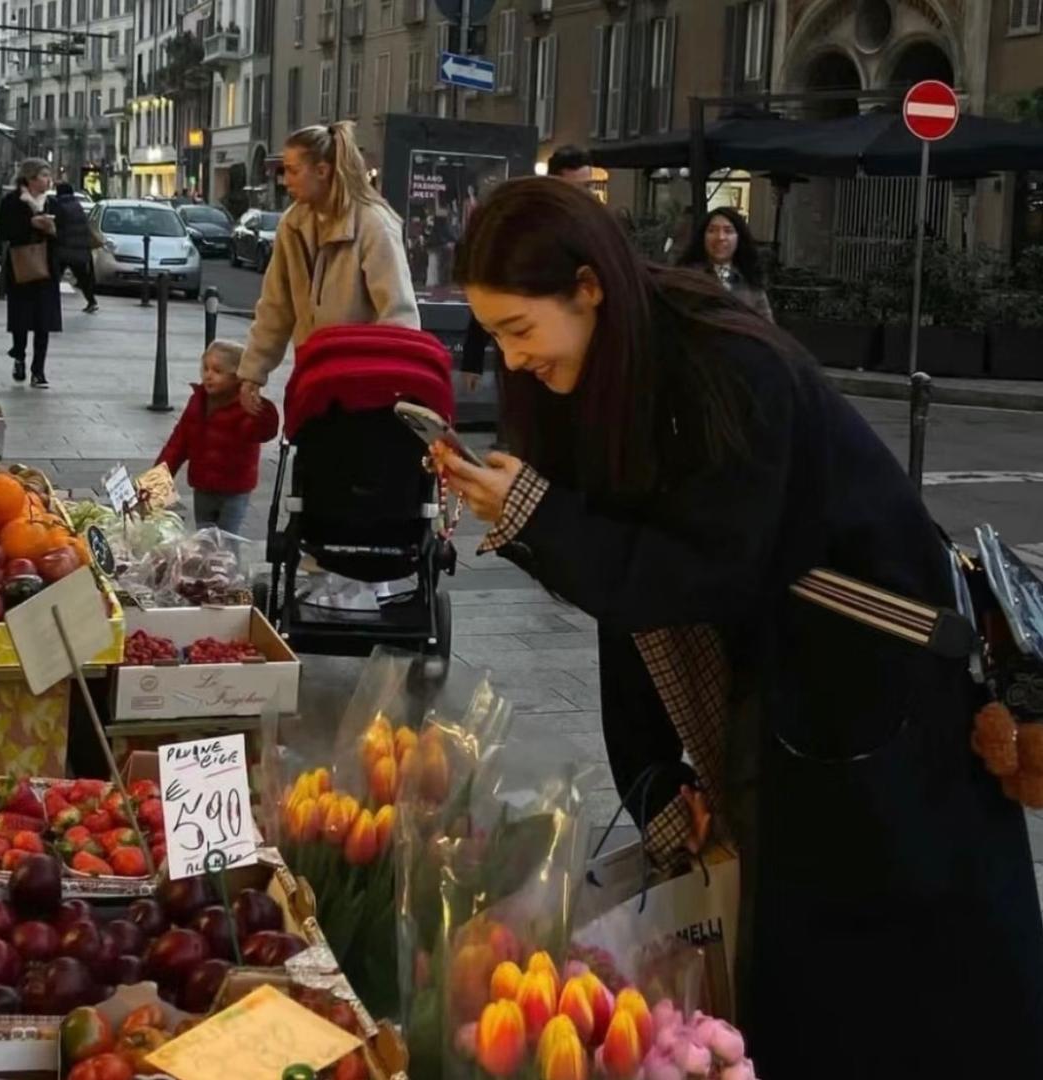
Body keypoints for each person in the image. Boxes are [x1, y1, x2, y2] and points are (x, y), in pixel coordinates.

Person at [434, 178, 1043, 1080]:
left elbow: (698, 570)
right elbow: (633, 596)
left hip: (879, 703)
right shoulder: (613, 374)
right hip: (797, 704)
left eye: (521, 330)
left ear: (589, 288)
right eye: (496, 337)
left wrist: (536, 515)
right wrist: (656, 781)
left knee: (899, 974)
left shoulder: (727, 365)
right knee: (801, 962)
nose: (512, 360)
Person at [237, 121, 418, 416]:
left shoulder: (372, 223)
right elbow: (275, 305)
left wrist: (394, 384)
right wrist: (252, 372)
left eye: (293, 170)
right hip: (314, 379)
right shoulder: (293, 224)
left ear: (322, 171)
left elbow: (398, 312)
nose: (285, 180)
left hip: (365, 390)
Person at [461, 146, 594, 387]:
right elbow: (490, 293)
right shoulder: (525, 229)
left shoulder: (595, 233)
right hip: (534, 364)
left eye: (587, 188)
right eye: (574, 188)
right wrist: (473, 360)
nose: (581, 197)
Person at [156, 339, 279, 535]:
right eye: (205, 368)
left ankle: (229, 566)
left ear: (237, 377)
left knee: (226, 541)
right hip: (203, 486)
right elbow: (177, 445)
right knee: (204, 539)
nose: (208, 376)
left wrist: (259, 406)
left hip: (234, 489)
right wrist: (156, 481)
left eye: (217, 371)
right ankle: (206, 566)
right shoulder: (197, 402)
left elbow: (263, 431)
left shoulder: (244, 407)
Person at [0, 159, 62, 389]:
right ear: (30, 178)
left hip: (46, 269)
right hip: (21, 267)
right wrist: (30, 224)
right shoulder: (12, 202)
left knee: (43, 321)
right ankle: (19, 358)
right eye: (44, 175)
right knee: (21, 319)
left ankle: (39, 370)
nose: (48, 180)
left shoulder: (53, 204)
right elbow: (3, 232)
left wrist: (52, 229)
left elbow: (64, 235)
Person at [678, 206, 774, 321]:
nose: (720, 237)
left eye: (728, 231)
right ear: (702, 237)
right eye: (712, 230)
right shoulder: (687, 277)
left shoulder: (750, 280)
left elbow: (767, 327)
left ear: (739, 238)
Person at [51, 181, 98, 314]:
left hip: (64, 248)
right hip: (80, 248)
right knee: (83, 277)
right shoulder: (77, 205)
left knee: (54, 277)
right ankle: (92, 301)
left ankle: (50, 303)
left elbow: (57, 225)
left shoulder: (59, 205)